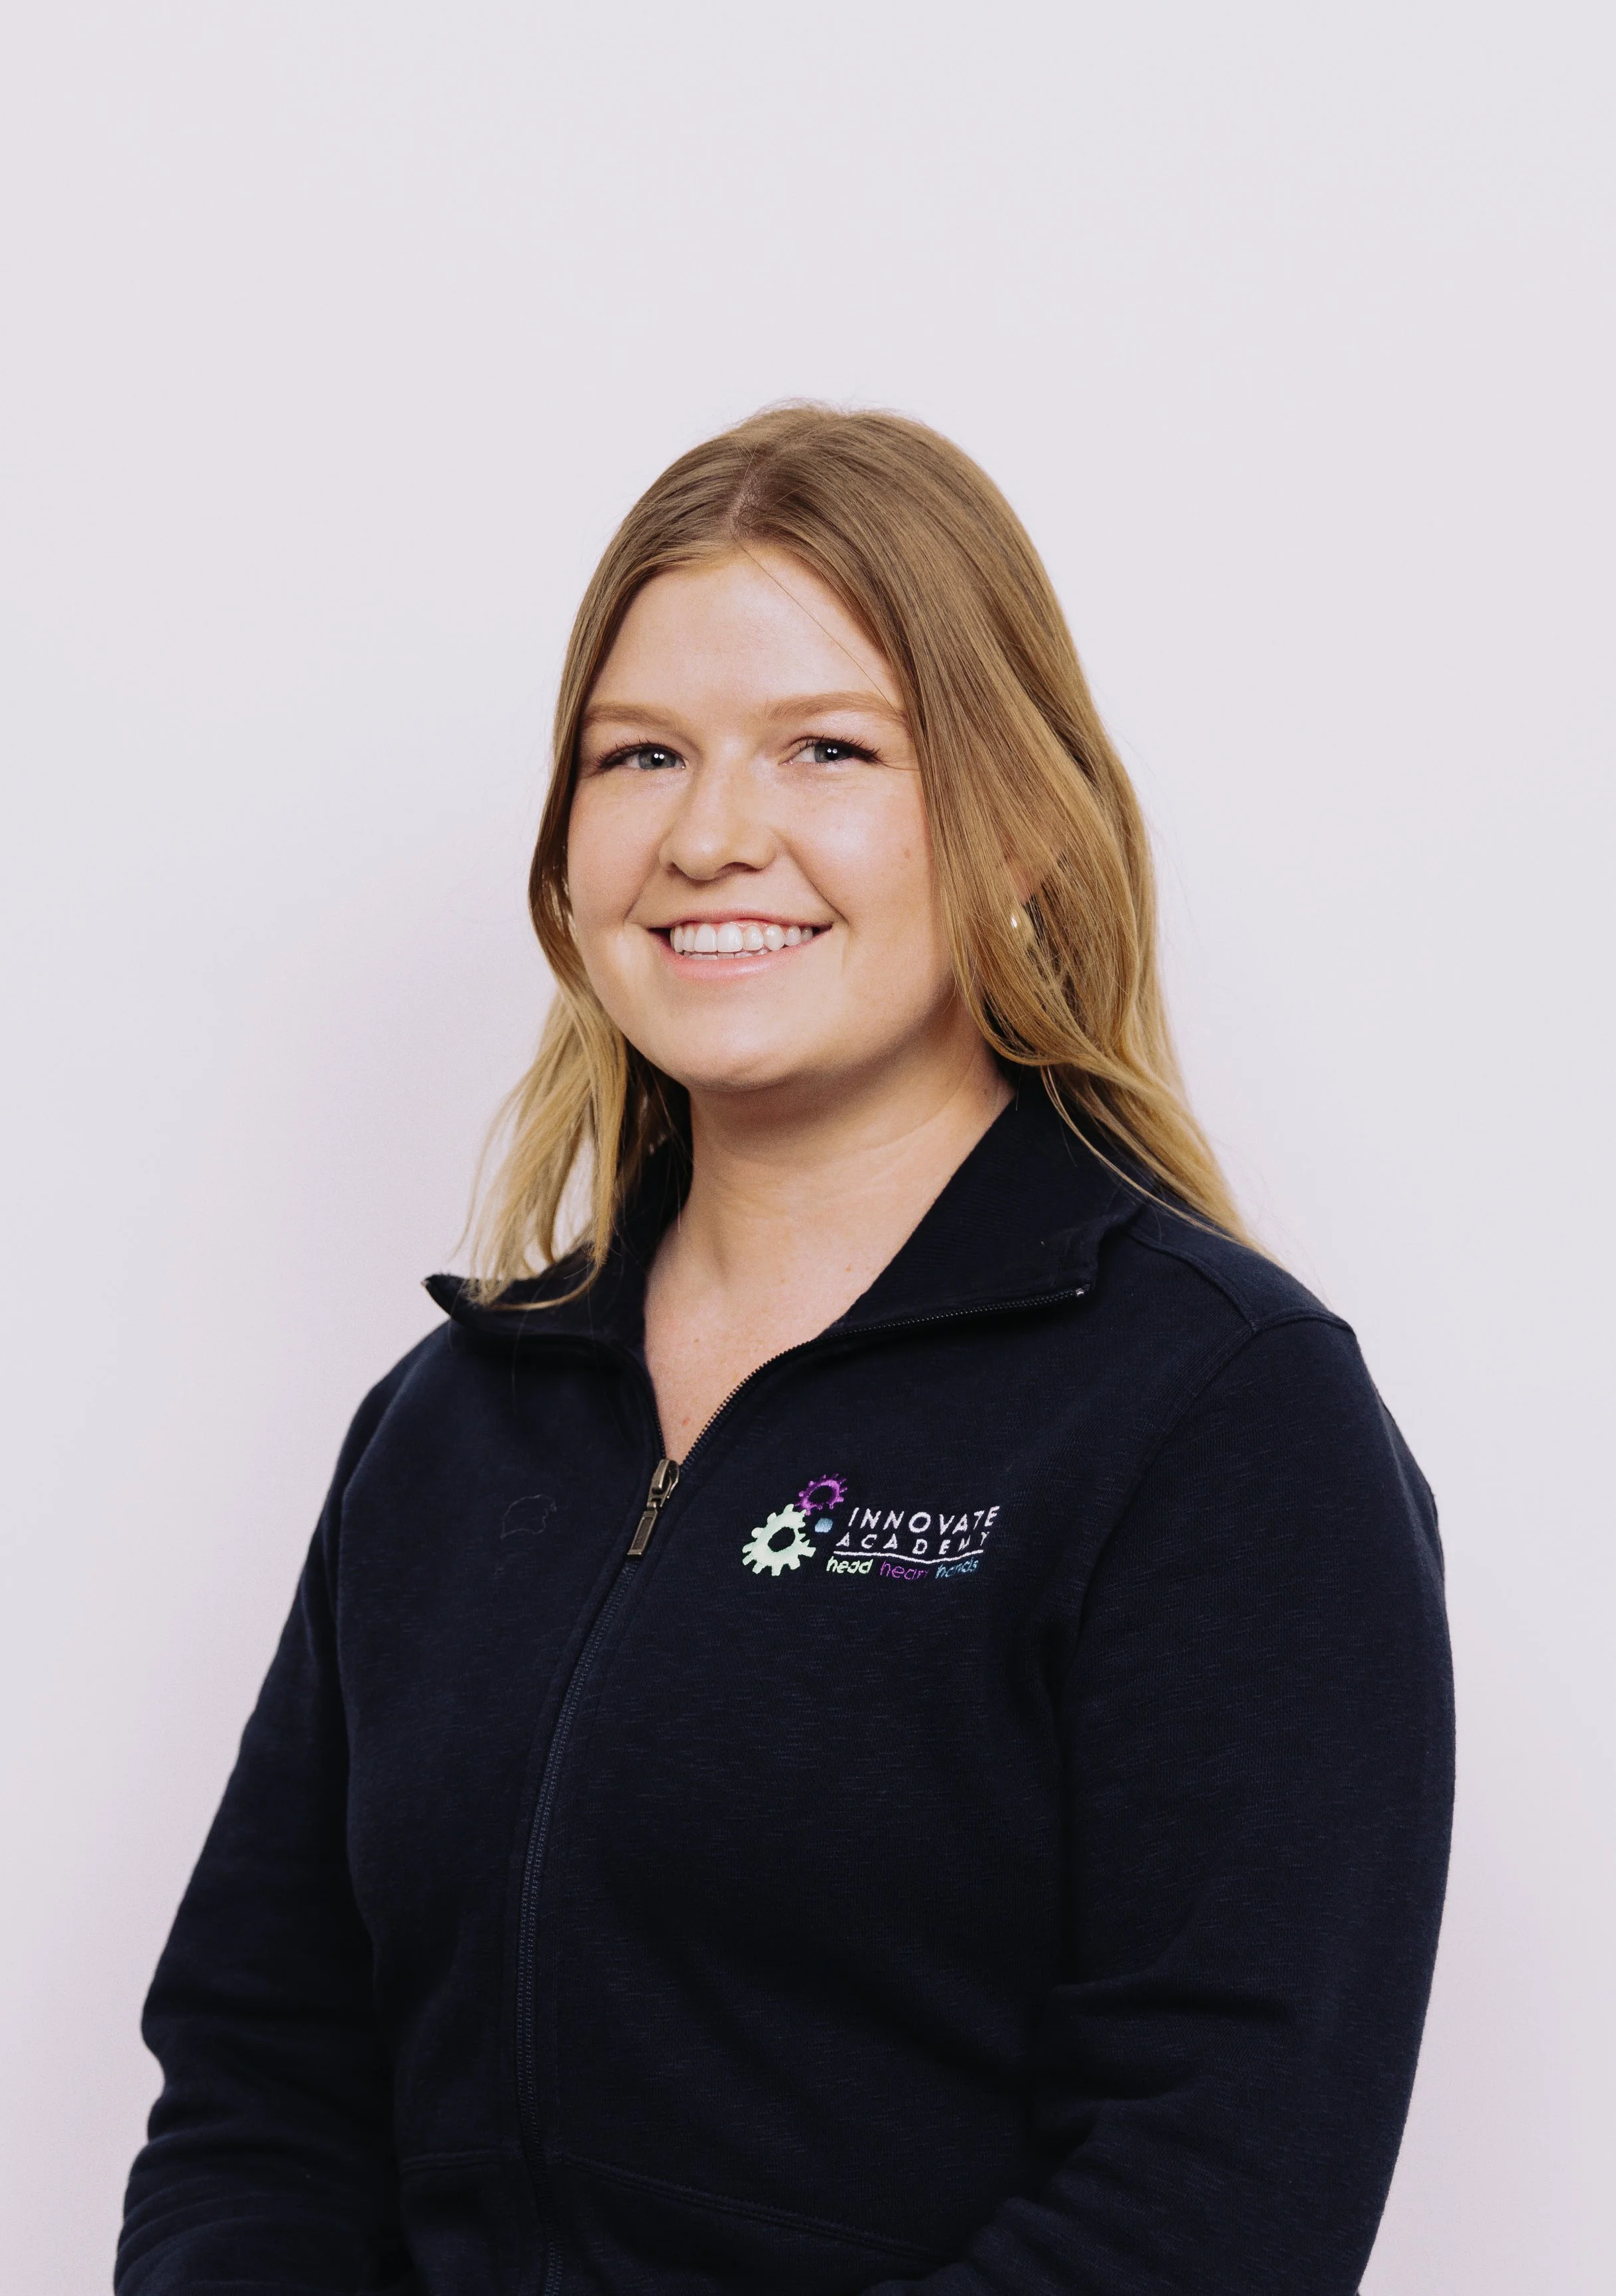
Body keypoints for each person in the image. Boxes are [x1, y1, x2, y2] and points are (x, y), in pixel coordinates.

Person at [117, 407, 1454, 2296]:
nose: (709, 832)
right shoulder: (451, 1427)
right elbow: (260, 2078)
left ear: (1011, 830)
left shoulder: (1215, 1414)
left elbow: (1210, 2198)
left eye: (826, 747)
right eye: (638, 753)